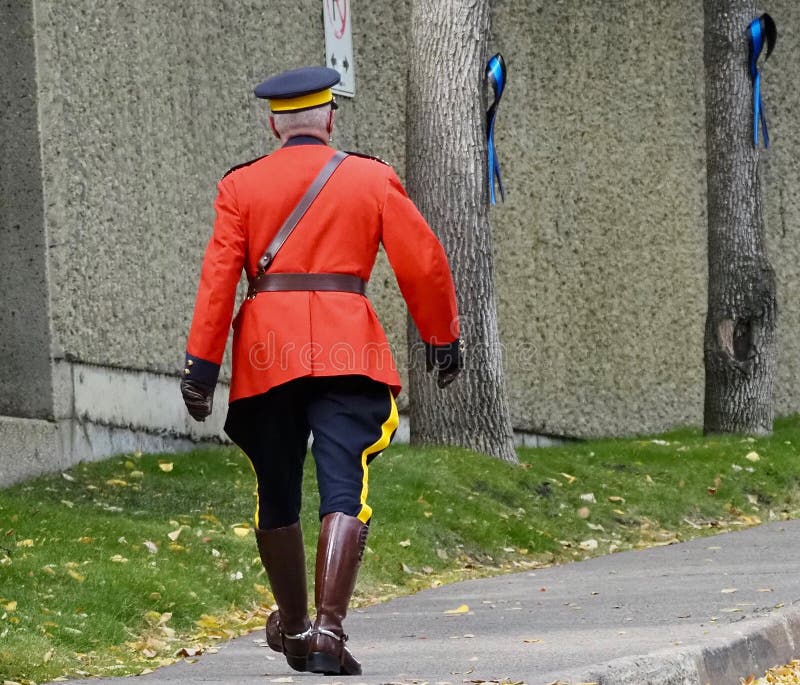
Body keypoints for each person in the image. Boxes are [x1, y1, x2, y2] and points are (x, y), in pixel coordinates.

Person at [180, 65, 461, 676]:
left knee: (276, 488)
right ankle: (329, 630)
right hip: (347, 350)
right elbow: (424, 261)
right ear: (330, 118)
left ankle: (296, 629)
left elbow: (218, 280)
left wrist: (200, 367)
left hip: (265, 355)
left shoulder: (240, 187)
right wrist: (442, 337)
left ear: (274, 122)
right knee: (343, 485)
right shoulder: (371, 176)